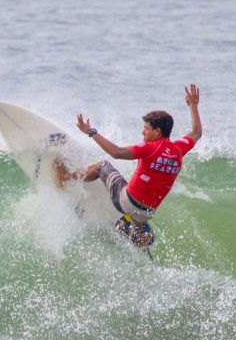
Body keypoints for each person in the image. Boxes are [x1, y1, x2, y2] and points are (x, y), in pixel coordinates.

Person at [55, 84, 202, 248]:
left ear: (157, 131)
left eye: (145, 129)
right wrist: (193, 106)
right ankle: (132, 231)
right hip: (146, 213)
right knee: (142, 218)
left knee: (102, 166)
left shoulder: (150, 148)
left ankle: (66, 179)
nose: (142, 133)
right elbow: (196, 133)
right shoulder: (178, 149)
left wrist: (91, 132)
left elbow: (117, 152)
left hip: (126, 202)